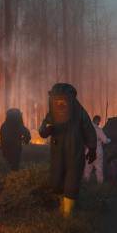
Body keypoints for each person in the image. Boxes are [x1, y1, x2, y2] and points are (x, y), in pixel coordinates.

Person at [39, 83, 97, 218]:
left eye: (62, 100)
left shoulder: (79, 112)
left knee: (72, 179)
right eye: (57, 100)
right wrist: (45, 130)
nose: (60, 103)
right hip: (59, 151)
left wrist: (92, 148)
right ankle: (63, 208)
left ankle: (67, 214)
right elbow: (43, 130)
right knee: (57, 180)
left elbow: (88, 130)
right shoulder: (53, 114)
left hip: (74, 151)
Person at [83, 115, 111, 185]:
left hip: (88, 151)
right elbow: (105, 140)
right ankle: (99, 185)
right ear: (98, 121)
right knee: (99, 169)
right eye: (99, 121)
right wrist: (109, 140)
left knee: (87, 169)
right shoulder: (98, 130)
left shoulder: (86, 129)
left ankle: (86, 183)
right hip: (97, 152)